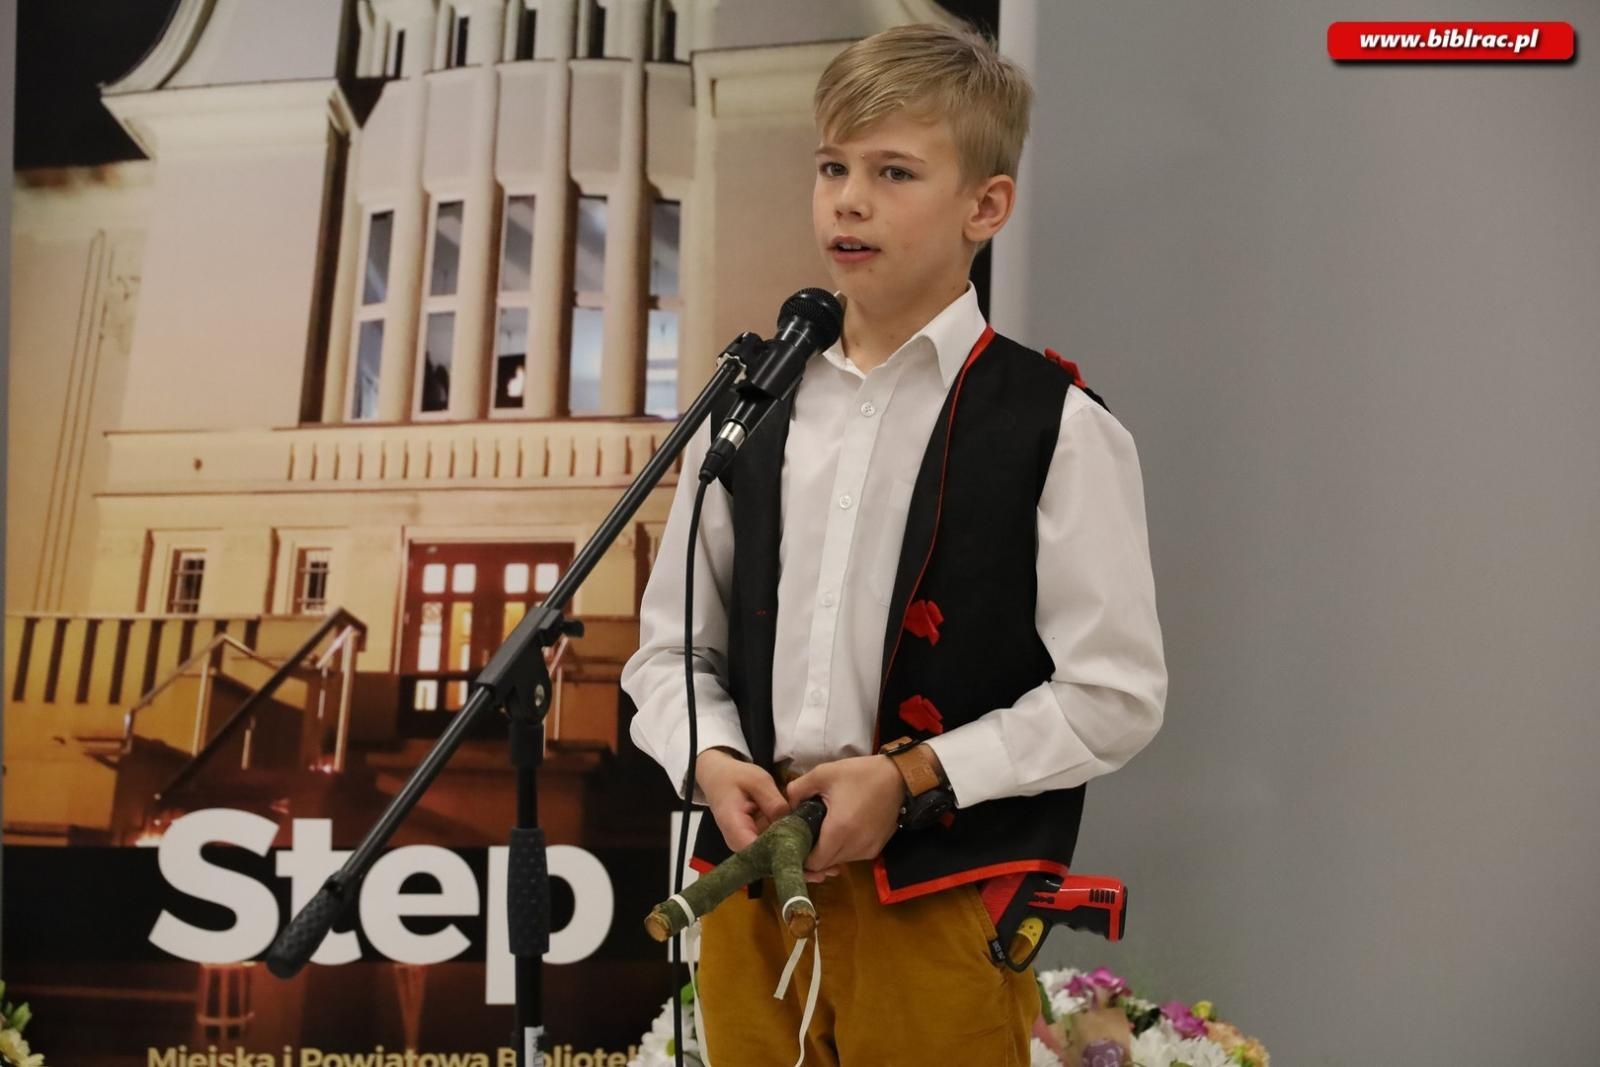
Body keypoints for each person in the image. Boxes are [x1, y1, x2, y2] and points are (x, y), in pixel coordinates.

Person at [621, 20, 1167, 1066]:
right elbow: (670, 652)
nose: (848, 198)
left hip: (942, 899)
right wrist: (710, 752)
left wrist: (913, 777)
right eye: (832, 165)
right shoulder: (743, 410)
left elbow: (1114, 689)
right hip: (745, 891)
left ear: (986, 205)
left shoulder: (1054, 422)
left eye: (892, 170)